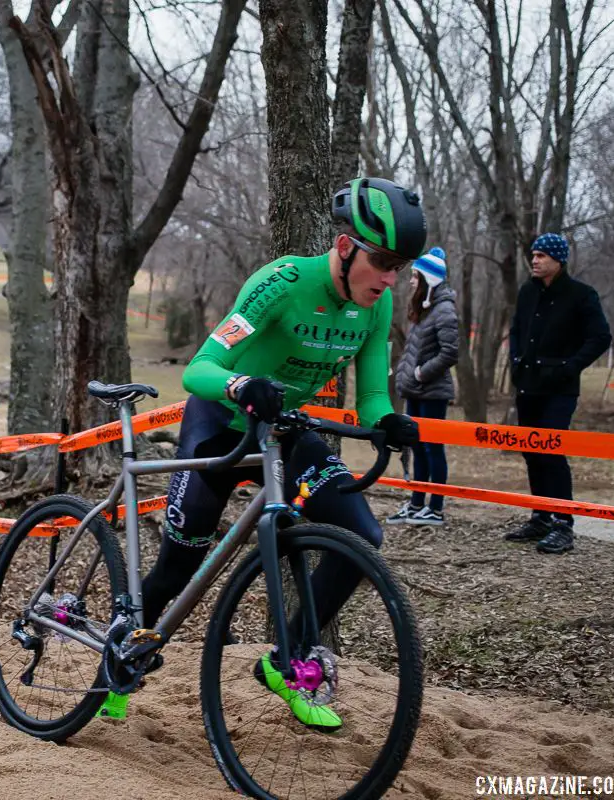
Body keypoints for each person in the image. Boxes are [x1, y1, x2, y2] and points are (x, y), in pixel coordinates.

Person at [140, 177, 425, 729]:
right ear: (345, 248)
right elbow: (201, 368)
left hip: (282, 429)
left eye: (401, 267)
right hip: (222, 422)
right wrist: (242, 384)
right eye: (384, 262)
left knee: (361, 536)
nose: (391, 278)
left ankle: (288, 658)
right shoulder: (284, 282)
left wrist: (387, 421)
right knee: (179, 566)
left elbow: (369, 395)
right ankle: (127, 649)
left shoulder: (377, 304)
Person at [505, 233, 611, 554]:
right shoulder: (527, 292)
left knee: (551, 452)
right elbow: (516, 331)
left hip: (560, 390)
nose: (535, 260)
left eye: (542, 255)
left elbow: (601, 337)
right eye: (533, 255)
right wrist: (516, 364)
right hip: (528, 386)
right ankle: (540, 516)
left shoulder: (581, 295)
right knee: (531, 451)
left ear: (558, 260)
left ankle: (563, 523)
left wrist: (570, 366)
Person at [386, 247, 459, 526]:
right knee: (417, 448)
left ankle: (435, 508)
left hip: (433, 392)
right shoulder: (424, 309)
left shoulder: (445, 310)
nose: (412, 281)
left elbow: (450, 352)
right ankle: (417, 504)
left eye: (416, 276)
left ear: (429, 279)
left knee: (433, 449)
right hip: (416, 392)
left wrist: (420, 373)